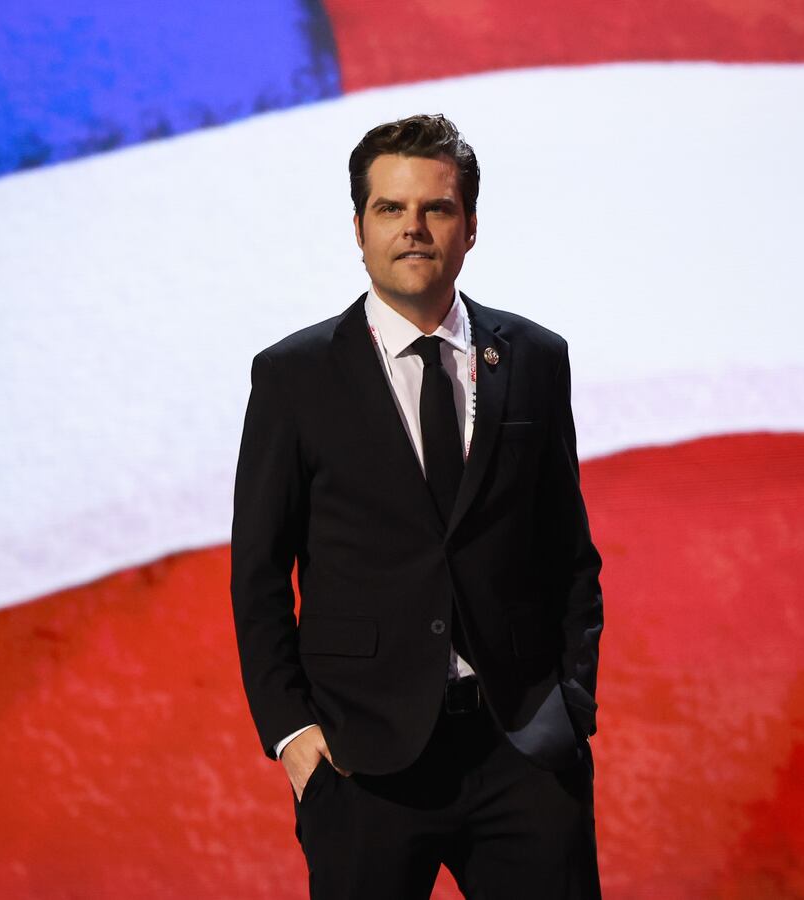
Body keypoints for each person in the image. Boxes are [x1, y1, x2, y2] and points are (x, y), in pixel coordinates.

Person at [230, 114, 604, 898]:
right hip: (362, 762)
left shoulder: (535, 359)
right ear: (359, 230)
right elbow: (258, 577)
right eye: (390, 209)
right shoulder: (294, 376)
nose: (413, 227)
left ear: (470, 227)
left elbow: (569, 552)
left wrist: (570, 705)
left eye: (436, 208)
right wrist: (294, 735)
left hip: (522, 750)